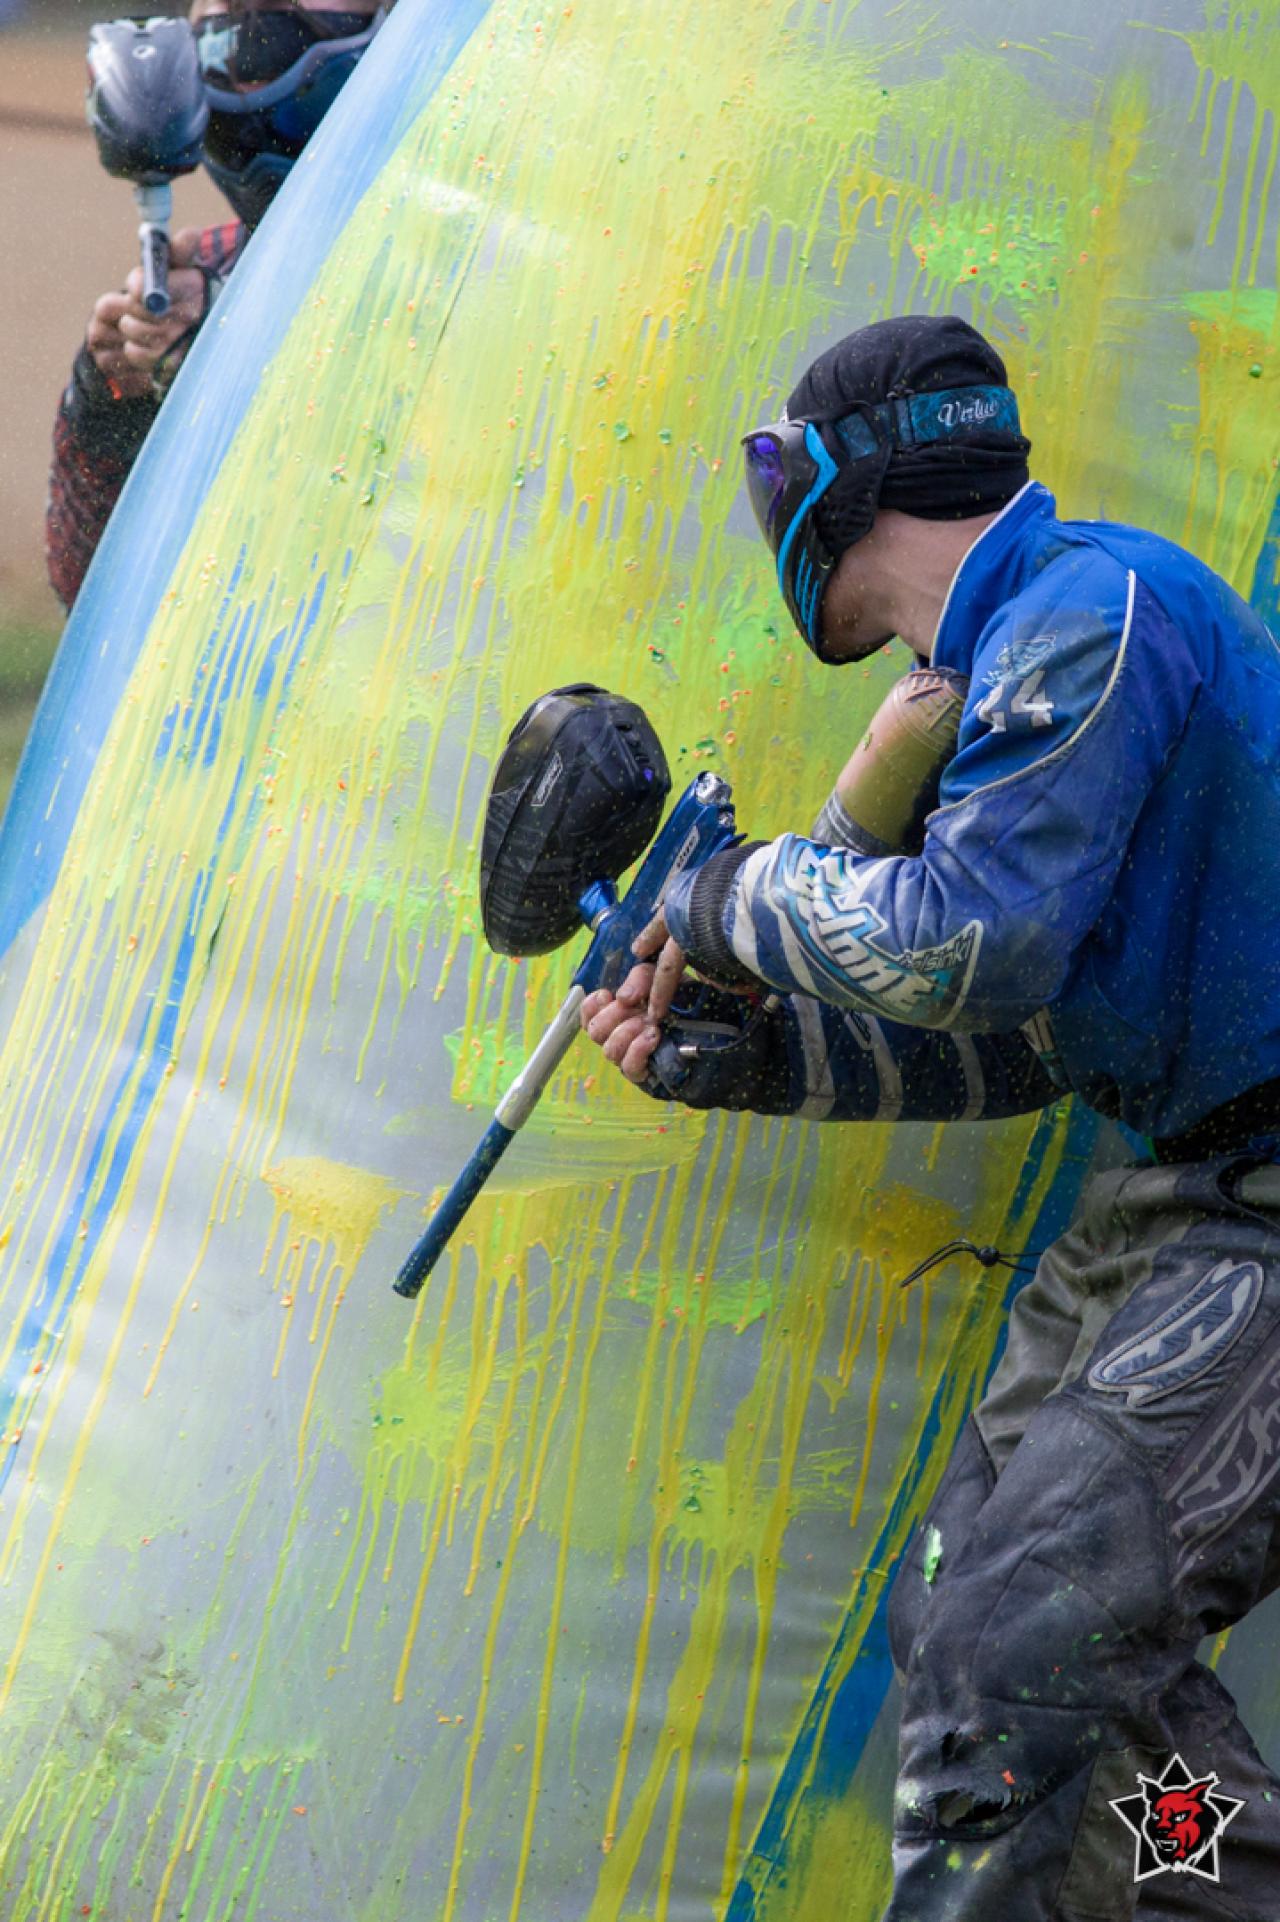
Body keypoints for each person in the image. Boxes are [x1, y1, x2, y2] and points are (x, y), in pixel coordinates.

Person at [582, 312, 1280, 1917]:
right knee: (978, 1627)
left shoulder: (1087, 611)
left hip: (1262, 1201)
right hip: (1189, 1196)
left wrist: (726, 892)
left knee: (1023, 1629)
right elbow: (1024, 1042)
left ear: (839, 484)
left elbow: (975, 939)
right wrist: (763, 1054)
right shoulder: (1008, 658)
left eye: (776, 477)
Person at [46, 0, 386, 610]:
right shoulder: (212, 268)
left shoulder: (503, 245)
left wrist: (240, 343)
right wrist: (115, 405)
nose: (246, 15)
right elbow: (93, 596)